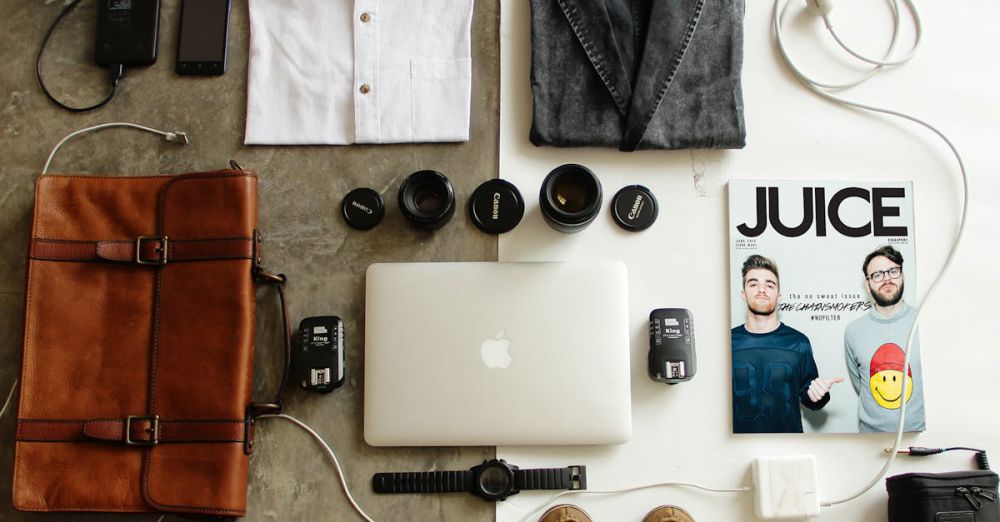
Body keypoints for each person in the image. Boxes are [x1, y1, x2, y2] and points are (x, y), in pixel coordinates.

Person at [731, 254, 843, 433]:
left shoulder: (798, 342)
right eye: (753, 284)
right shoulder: (726, 343)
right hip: (736, 447)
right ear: (743, 294)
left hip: (788, 447)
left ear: (779, 296)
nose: (762, 290)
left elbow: (811, 399)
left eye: (769, 285)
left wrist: (818, 395)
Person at [844, 246, 925, 432]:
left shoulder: (925, 321)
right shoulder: (853, 331)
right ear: (868, 284)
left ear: (903, 275)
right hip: (871, 439)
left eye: (893, 271)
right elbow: (861, 383)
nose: (887, 278)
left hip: (921, 436)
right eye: (877, 275)